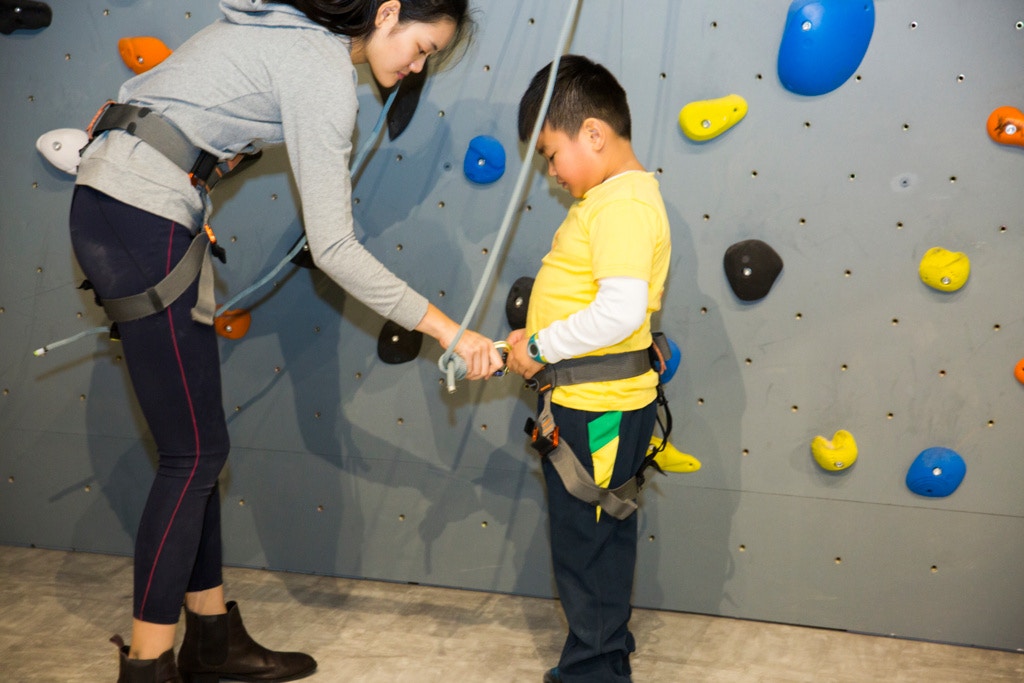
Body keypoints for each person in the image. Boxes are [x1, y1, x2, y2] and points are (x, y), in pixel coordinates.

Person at [69, 1, 503, 681]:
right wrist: (448, 328)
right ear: (386, 11)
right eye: (419, 47)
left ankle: (210, 638)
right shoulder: (322, 71)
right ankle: (149, 666)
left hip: (122, 201)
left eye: (429, 59)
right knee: (193, 454)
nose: (417, 66)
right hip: (140, 211)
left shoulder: (287, 35)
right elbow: (332, 246)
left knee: (199, 447)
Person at [504, 55, 671, 683]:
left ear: (594, 134)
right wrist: (534, 341)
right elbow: (594, 307)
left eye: (551, 153)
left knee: (587, 542)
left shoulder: (622, 205)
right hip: (593, 403)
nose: (551, 171)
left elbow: (619, 311)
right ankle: (604, 657)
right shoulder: (615, 201)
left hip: (598, 409)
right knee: (597, 534)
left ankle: (595, 672)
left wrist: (542, 348)